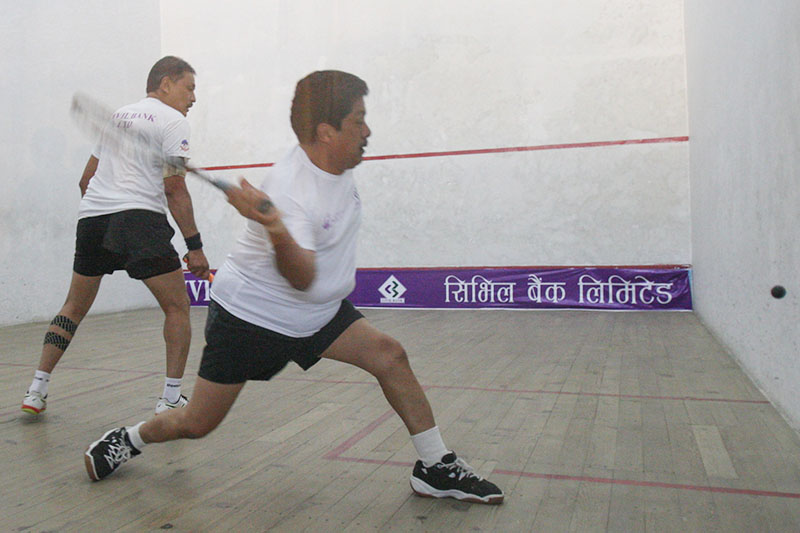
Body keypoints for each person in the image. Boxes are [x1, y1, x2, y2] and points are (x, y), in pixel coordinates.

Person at [84, 70, 504, 505]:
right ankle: (129, 439)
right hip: (252, 320)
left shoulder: (333, 163)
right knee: (196, 423)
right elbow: (300, 276)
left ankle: (435, 466)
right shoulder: (292, 188)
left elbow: (311, 284)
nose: (367, 131)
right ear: (327, 132)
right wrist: (275, 225)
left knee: (389, 356)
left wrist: (273, 224)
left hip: (317, 312)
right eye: (358, 120)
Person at [21, 56, 210, 417]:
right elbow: (174, 190)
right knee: (177, 307)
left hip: (93, 219)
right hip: (139, 219)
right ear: (166, 83)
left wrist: (106, 221)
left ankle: (36, 389)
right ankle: (171, 398)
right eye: (190, 88)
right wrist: (195, 247)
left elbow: (85, 181)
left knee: (73, 307)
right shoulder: (174, 121)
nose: (193, 99)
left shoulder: (117, 117)